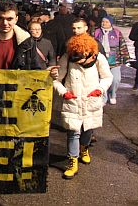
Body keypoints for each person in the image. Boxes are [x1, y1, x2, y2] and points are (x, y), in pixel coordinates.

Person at [54, 33, 112, 180]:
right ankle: (72, 162)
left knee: (87, 130)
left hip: (90, 101)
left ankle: (84, 149)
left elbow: (107, 77)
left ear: (89, 52)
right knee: (73, 132)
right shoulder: (67, 58)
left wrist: (100, 89)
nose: (79, 59)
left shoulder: (98, 58)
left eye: (82, 56)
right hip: (72, 101)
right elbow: (56, 80)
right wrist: (64, 93)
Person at [93, 17, 130, 104]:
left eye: (106, 22)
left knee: (116, 79)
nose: (104, 23)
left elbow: (122, 45)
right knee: (101, 80)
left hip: (115, 61)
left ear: (110, 23)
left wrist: (125, 57)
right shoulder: (96, 32)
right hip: (100, 61)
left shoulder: (117, 32)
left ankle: (113, 94)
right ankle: (103, 97)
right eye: (103, 22)